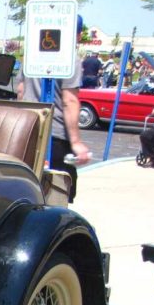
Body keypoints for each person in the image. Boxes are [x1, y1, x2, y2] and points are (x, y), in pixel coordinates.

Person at [17, 16, 92, 203]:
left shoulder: (33, 55)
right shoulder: (69, 59)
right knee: (57, 195)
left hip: (28, 130)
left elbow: (20, 91)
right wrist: (76, 142)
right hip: (56, 137)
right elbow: (70, 100)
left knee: (26, 191)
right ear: (78, 35)